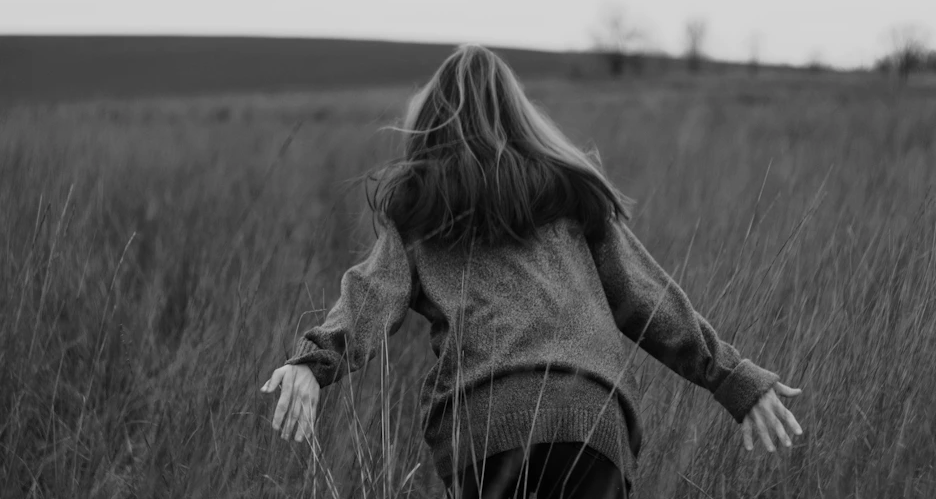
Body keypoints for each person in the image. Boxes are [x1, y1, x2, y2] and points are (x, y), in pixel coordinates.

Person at [260, 45, 803, 498]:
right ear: (520, 116)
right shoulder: (570, 193)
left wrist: (315, 360)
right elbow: (649, 299)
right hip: (590, 421)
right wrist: (732, 378)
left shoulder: (420, 209)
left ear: (430, 122)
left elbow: (373, 291)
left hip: (487, 428)